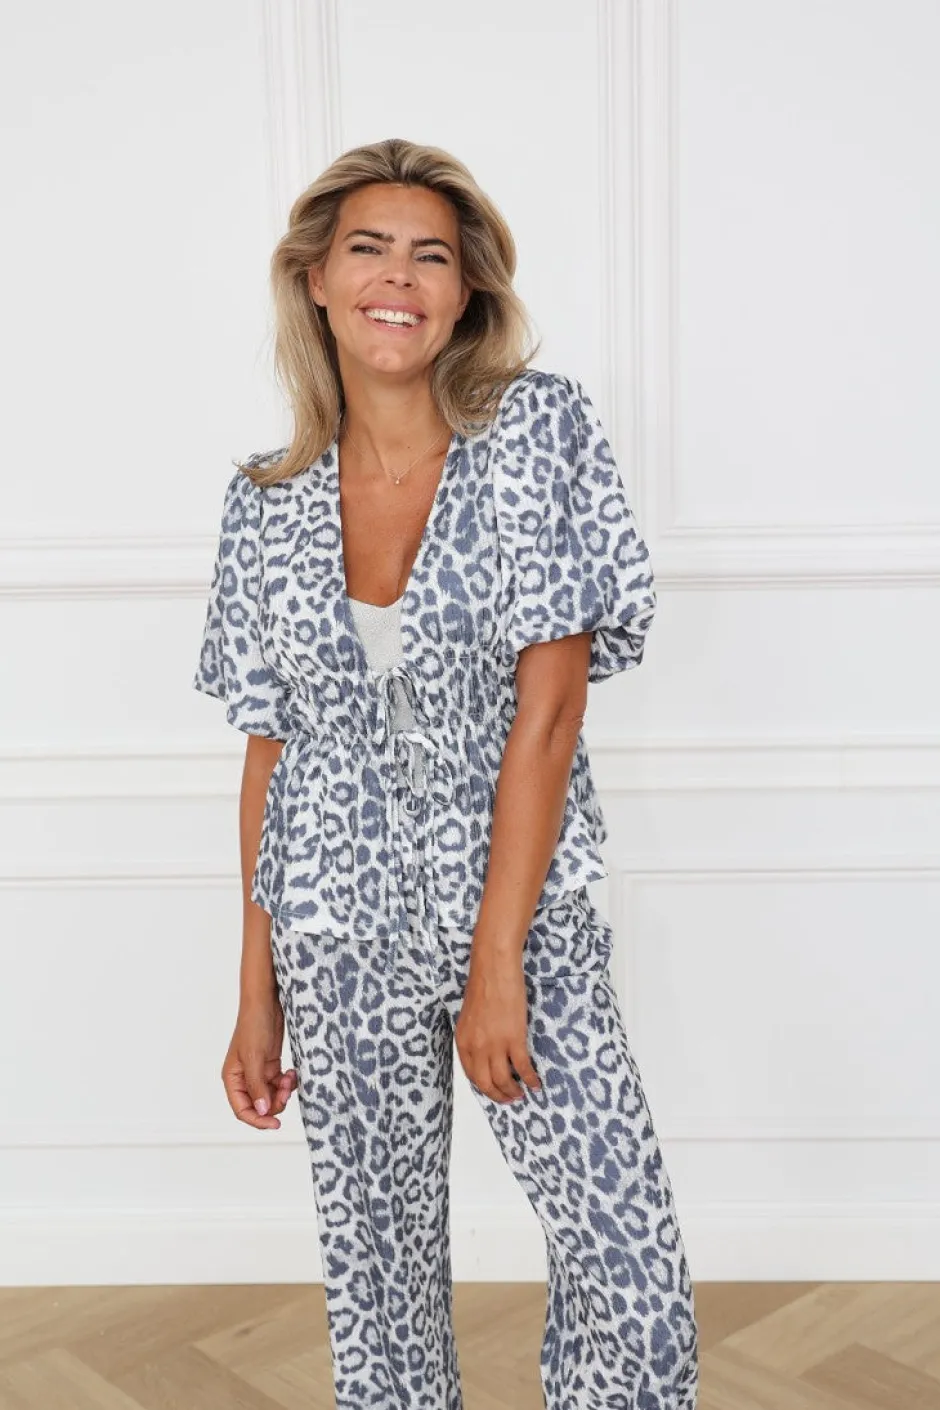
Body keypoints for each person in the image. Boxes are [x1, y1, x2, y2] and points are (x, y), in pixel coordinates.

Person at [193, 137, 698, 1410]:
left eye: (431, 255)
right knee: (379, 1287)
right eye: (367, 249)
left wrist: (497, 964)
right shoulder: (265, 501)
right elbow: (270, 751)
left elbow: (551, 710)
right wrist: (256, 991)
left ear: (466, 290)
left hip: (521, 918)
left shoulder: (535, 434)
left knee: (626, 1262)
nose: (398, 278)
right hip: (333, 928)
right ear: (315, 279)